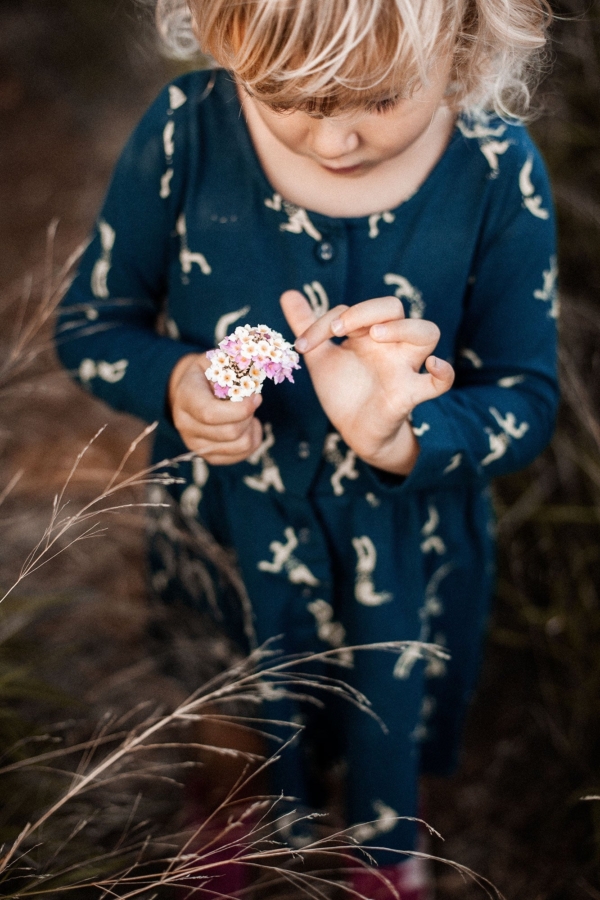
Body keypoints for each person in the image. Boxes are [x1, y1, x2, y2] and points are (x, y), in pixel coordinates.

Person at [55, 0, 558, 895]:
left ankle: (384, 863)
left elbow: (525, 397)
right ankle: (228, 839)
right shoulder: (186, 135)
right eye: (286, 95)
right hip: (230, 532)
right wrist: (178, 384)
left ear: (466, 42)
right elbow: (94, 325)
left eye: (376, 97)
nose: (332, 141)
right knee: (230, 724)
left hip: (404, 555)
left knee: (387, 744)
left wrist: (404, 437)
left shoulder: (493, 168)